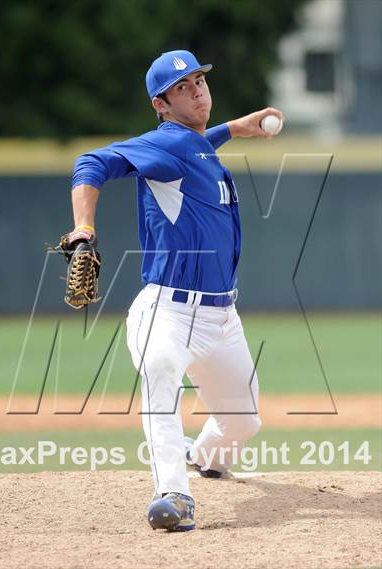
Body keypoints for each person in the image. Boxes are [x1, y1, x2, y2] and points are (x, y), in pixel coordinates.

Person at [67, 50, 284, 532]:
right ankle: (174, 494)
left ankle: (203, 458)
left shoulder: (195, 143)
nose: (197, 89)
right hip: (167, 311)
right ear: (160, 104)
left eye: (200, 80)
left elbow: (198, 148)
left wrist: (233, 128)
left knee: (244, 423)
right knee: (161, 379)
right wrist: (83, 230)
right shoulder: (165, 145)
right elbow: (91, 163)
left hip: (221, 318)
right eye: (183, 87)